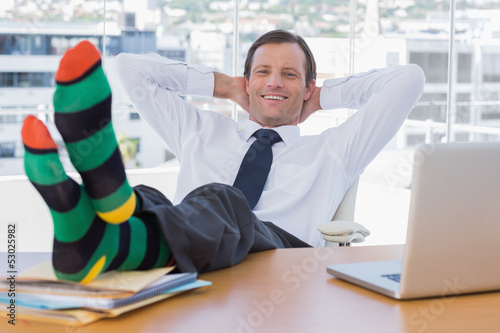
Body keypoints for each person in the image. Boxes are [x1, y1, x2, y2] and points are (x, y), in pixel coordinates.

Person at [22, 30, 424, 283]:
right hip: (189, 248)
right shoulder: (201, 129)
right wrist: (223, 86)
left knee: (223, 202)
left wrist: (322, 99)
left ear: (307, 87)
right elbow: (128, 68)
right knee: (156, 200)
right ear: (247, 82)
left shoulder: (335, 149)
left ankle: (106, 223)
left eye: (289, 75)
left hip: (280, 263)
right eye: (263, 72)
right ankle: (101, 234)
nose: (274, 82)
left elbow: (408, 80)